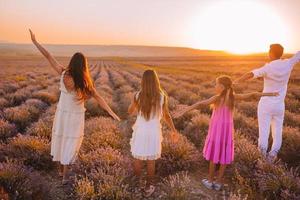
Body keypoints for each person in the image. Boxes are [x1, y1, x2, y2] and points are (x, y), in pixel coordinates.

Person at [29, 29, 120, 184]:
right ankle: (64, 176)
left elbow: (48, 56)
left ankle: (60, 172)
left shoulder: (63, 73)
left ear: (72, 62)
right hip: (75, 117)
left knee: (61, 140)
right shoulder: (85, 83)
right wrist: (112, 114)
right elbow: (99, 99)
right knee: (70, 143)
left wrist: (35, 42)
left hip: (62, 114)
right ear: (84, 65)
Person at [173, 75, 278, 190]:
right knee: (224, 155)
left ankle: (210, 181)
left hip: (216, 130)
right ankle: (218, 183)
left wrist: (185, 110)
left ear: (222, 87)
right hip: (227, 131)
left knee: (214, 155)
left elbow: (200, 104)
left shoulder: (217, 98)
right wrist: (270, 94)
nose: (215, 86)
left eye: (216, 84)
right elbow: (252, 95)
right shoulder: (233, 97)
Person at [233, 44, 300, 161]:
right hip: (279, 105)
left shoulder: (268, 68)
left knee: (263, 132)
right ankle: (272, 156)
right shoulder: (288, 63)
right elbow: (298, 55)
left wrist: (237, 81)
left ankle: (262, 158)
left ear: (271, 53)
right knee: (277, 133)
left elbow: (251, 74)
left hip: (266, 104)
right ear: (281, 53)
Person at [128, 69, 179, 197]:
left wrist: (134, 104)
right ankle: (149, 186)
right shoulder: (162, 96)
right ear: (156, 81)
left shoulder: (138, 95)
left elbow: (130, 111)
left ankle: (137, 185)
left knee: (137, 158)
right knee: (151, 160)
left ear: (143, 81)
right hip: (154, 131)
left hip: (141, 130)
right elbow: (167, 116)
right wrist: (173, 130)